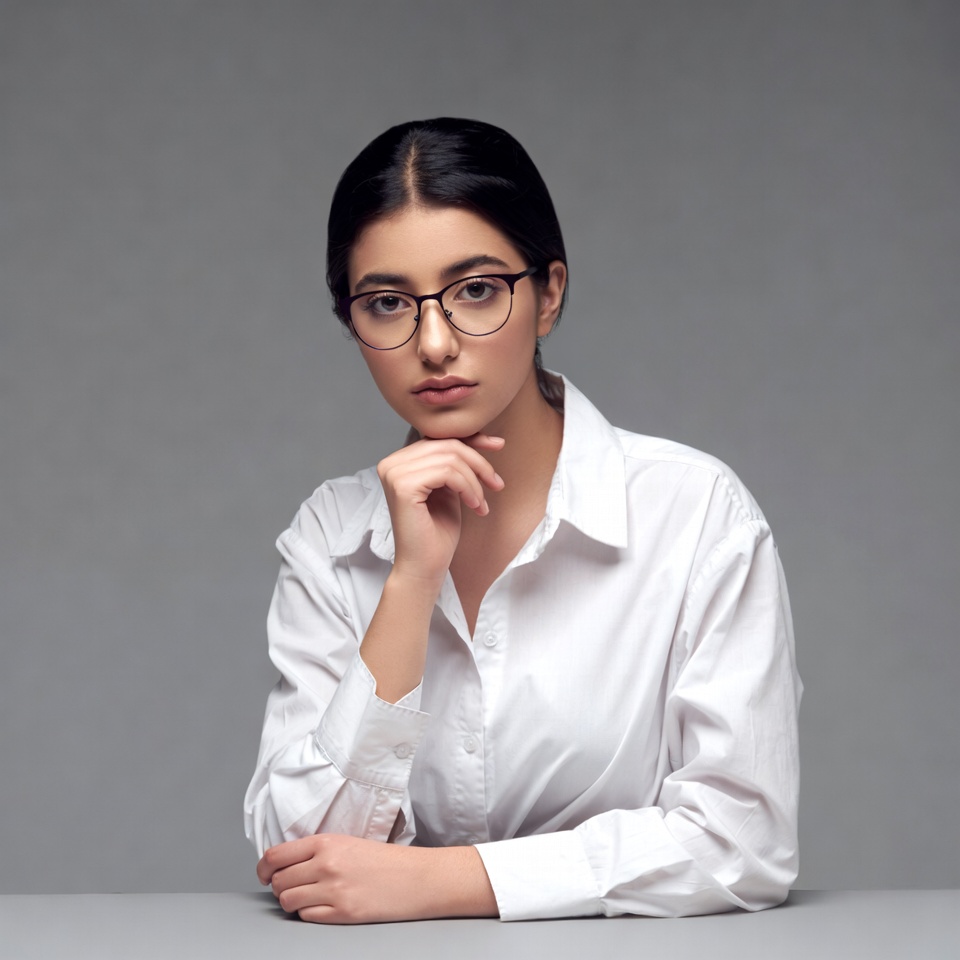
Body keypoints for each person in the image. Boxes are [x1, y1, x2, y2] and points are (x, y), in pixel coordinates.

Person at [244, 117, 801, 924]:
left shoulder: (695, 514)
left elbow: (742, 841)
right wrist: (409, 583)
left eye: (475, 290)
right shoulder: (333, 535)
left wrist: (445, 882)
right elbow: (307, 862)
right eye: (388, 303)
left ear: (549, 295)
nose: (433, 343)